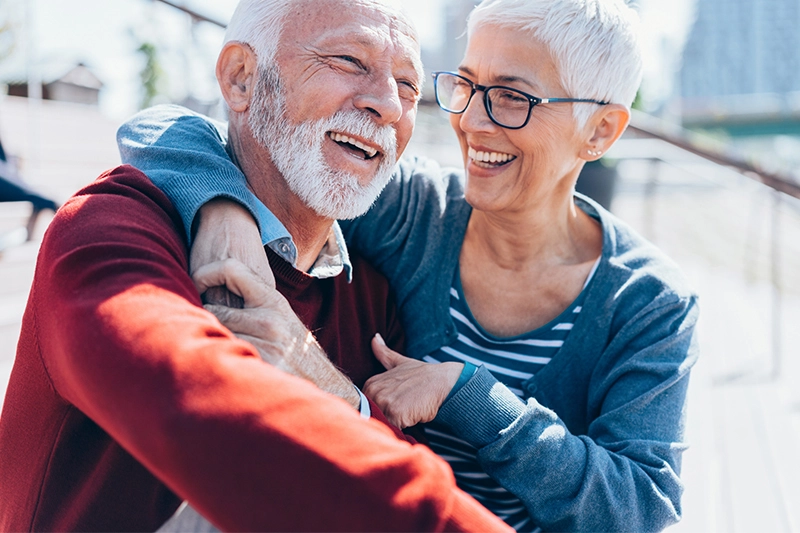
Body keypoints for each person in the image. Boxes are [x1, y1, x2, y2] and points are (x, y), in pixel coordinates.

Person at [119, 0, 700, 531]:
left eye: (512, 98)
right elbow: (165, 131)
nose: (473, 121)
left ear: (600, 131)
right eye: (466, 86)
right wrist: (227, 208)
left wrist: (469, 396)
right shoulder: (414, 209)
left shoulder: (650, 304)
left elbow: (640, 509)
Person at [0, 0, 513, 531]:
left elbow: (380, 459)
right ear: (241, 78)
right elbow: (201, 407)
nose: (388, 104)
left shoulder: (375, 298)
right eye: (348, 60)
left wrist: (336, 391)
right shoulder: (112, 229)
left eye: (409, 87)